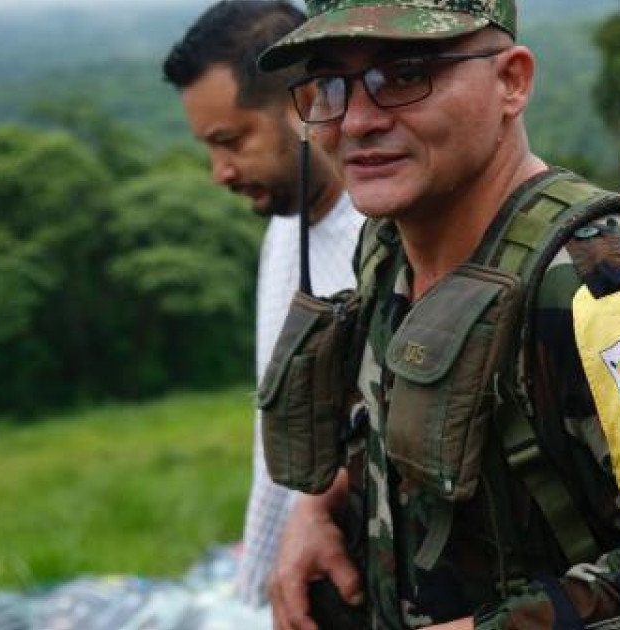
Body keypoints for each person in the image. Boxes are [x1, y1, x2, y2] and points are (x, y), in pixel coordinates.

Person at [257, 1, 620, 628]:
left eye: (405, 75)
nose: (358, 121)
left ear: (512, 81)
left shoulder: (599, 292)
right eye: (330, 85)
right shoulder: (388, 248)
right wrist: (318, 511)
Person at [162, 0, 364, 606]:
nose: (219, 173)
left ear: (306, 103)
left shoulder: (383, 235)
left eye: (231, 141)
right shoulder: (284, 226)